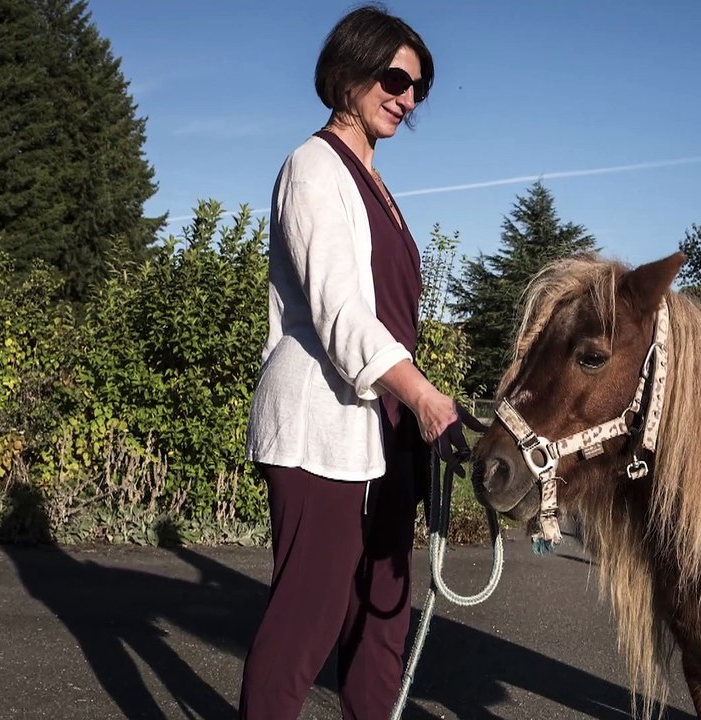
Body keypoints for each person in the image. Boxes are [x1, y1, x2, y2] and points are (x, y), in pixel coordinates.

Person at [241, 5, 467, 718]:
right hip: (321, 422)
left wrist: (415, 405)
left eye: (417, 88)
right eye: (396, 79)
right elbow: (340, 314)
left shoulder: (378, 186)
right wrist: (425, 396)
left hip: (385, 426)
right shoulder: (312, 168)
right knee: (307, 621)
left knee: (382, 618)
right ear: (350, 70)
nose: (407, 97)